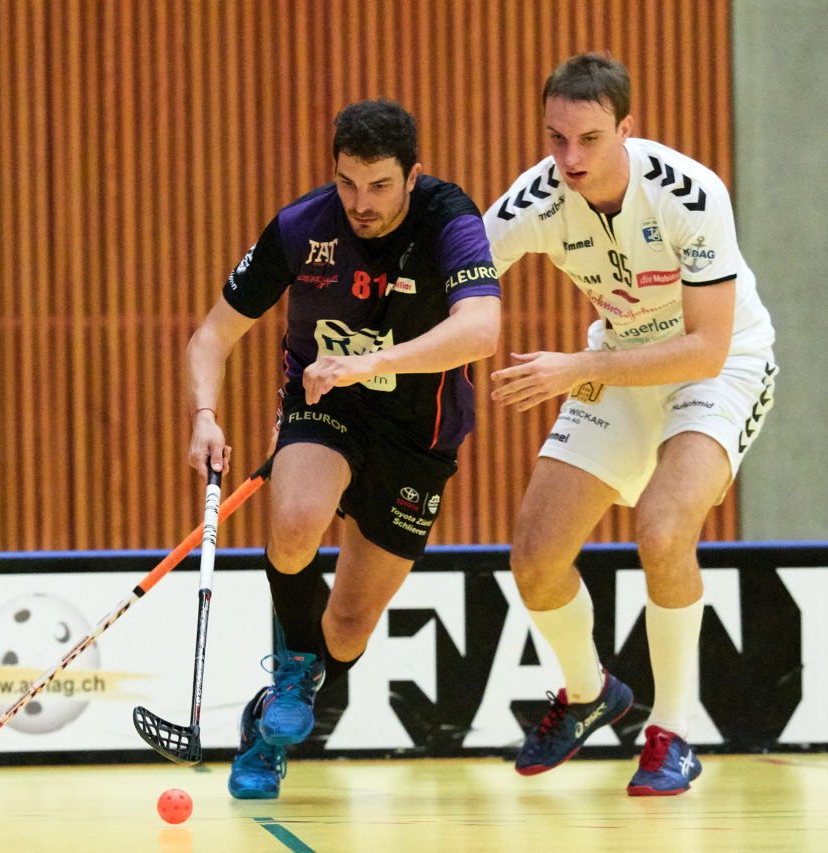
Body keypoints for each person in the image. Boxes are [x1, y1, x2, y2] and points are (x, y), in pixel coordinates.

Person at [183, 99, 502, 799]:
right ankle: (291, 677)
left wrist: (368, 362)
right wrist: (205, 416)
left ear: (412, 175)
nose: (361, 203)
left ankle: (266, 722)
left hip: (419, 433)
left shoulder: (450, 218)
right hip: (323, 403)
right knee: (296, 521)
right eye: (347, 182)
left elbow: (481, 330)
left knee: (350, 629)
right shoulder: (302, 228)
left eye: (380, 185)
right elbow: (211, 336)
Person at [482, 52, 776, 795]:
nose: (570, 159)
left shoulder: (689, 193)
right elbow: (458, 284)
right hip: (617, 363)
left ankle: (672, 732)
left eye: (589, 139)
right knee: (535, 557)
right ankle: (588, 693)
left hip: (721, 368)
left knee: (664, 527)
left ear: (626, 129)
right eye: (556, 139)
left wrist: (575, 368)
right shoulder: (538, 199)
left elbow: (706, 349)